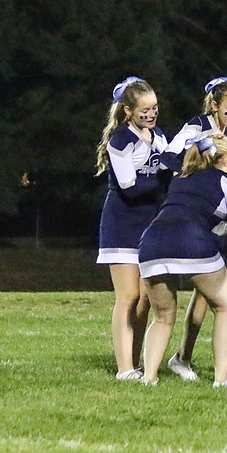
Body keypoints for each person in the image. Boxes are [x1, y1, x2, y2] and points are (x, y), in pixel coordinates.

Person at [164, 76, 227, 381]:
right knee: (215, 298)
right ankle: (197, 364)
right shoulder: (196, 126)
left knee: (206, 295)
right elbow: (168, 156)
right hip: (194, 216)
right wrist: (199, 179)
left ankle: (183, 357)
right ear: (215, 105)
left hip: (217, 215)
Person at [137, 132, 227, 386]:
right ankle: (222, 378)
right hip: (191, 241)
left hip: (151, 242)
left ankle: (148, 378)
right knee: (225, 307)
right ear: (225, 159)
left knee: (162, 316)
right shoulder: (225, 180)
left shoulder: (180, 179)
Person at [95, 76, 169, 381]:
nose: (151, 115)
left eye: (154, 109)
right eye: (144, 110)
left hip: (150, 223)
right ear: (128, 111)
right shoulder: (120, 141)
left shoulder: (159, 135)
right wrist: (166, 176)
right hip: (122, 223)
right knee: (126, 297)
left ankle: (136, 362)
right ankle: (124, 367)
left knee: (145, 298)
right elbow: (130, 187)